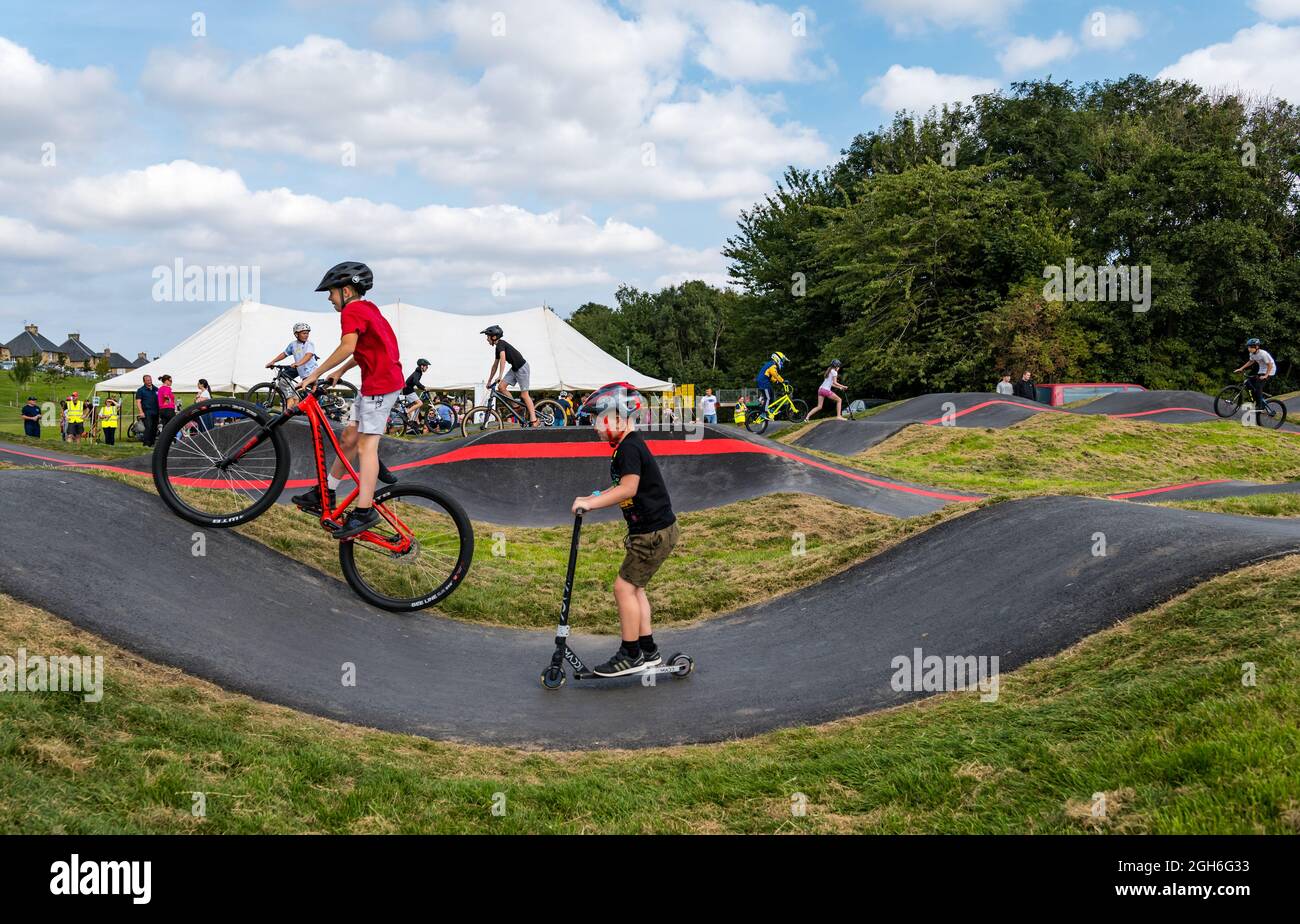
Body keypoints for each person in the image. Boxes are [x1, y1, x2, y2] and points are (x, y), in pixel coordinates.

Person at [570, 383, 678, 677]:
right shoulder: (628, 446)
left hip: (652, 533)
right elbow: (621, 487)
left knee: (623, 588)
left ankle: (630, 654)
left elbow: (629, 488)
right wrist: (592, 498)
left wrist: (592, 506)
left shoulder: (629, 447)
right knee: (635, 588)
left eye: (598, 419)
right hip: (653, 530)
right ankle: (649, 650)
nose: (595, 427)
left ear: (618, 417)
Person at [297, 261, 402, 539]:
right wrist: (339, 372)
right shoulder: (369, 309)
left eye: (331, 293)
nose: (330, 299)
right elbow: (365, 350)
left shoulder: (353, 310)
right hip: (375, 383)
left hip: (381, 385)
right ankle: (326, 492)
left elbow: (348, 346)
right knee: (349, 438)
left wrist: (315, 374)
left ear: (346, 290)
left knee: (367, 447)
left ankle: (365, 510)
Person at [480, 325, 537, 426]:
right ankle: (517, 408)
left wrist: (500, 375)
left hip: (522, 368)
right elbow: (495, 365)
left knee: (524, 395)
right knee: (501, 387)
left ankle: (534, 420)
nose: (487, 339)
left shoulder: (500, 344)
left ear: (494, 337)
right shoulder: (497, 348)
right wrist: (489, 380)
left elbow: (503, 359)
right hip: (514, 369)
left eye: (488, 336)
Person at [1234, 338, 1277, 409]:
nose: (1249, 349)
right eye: (1248, 347)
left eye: (1251, 347)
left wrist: (1266, 375)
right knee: (1248, 382)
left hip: (1270, 371)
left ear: (1257, 347)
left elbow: (1270, 365)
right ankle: (1258, 396)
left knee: (1258, 386)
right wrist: (1241, 368)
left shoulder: (1263, 354)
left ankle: (1259, 405)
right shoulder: (1252, 354)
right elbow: (1251, 361)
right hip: (1261, 370)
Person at [400, 358, 431, 425]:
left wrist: (423, 388)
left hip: (409, 389)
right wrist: (424, 387)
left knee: (418, 405)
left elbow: (416, 383)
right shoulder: (418, 372)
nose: (427, 368)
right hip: (408, 390)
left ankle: (413, 420)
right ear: (422, 366)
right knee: (420, 403)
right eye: (426, 366)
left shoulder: (418, 372)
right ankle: (406, 411)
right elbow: (416, 382)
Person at [135, 375, 160, 447]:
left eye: (150, 380)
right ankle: (146, 444)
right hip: (146, 412)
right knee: (148, 427)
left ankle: (152, 443)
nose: (149, 381)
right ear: (144, 381)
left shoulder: (156, 389)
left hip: (156, 411)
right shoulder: (141, 390)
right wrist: (141, 412)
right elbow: (138, 402)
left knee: (154, 428)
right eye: (148, 380)